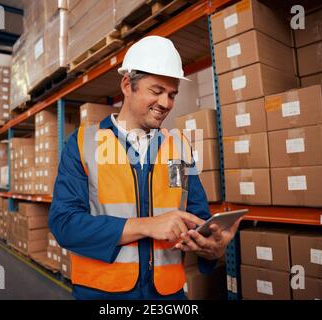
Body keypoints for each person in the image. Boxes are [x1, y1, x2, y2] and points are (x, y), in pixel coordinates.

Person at [49, 35, 242, 300]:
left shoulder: (179, 148)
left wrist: (210, 247)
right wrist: (147, 226)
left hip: (168, 295)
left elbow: (196, 215)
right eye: (156, 91)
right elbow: (65, 225)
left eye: (172, 94)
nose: (166, 103)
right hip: (103, 294)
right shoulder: (83, 144)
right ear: (128, 85)